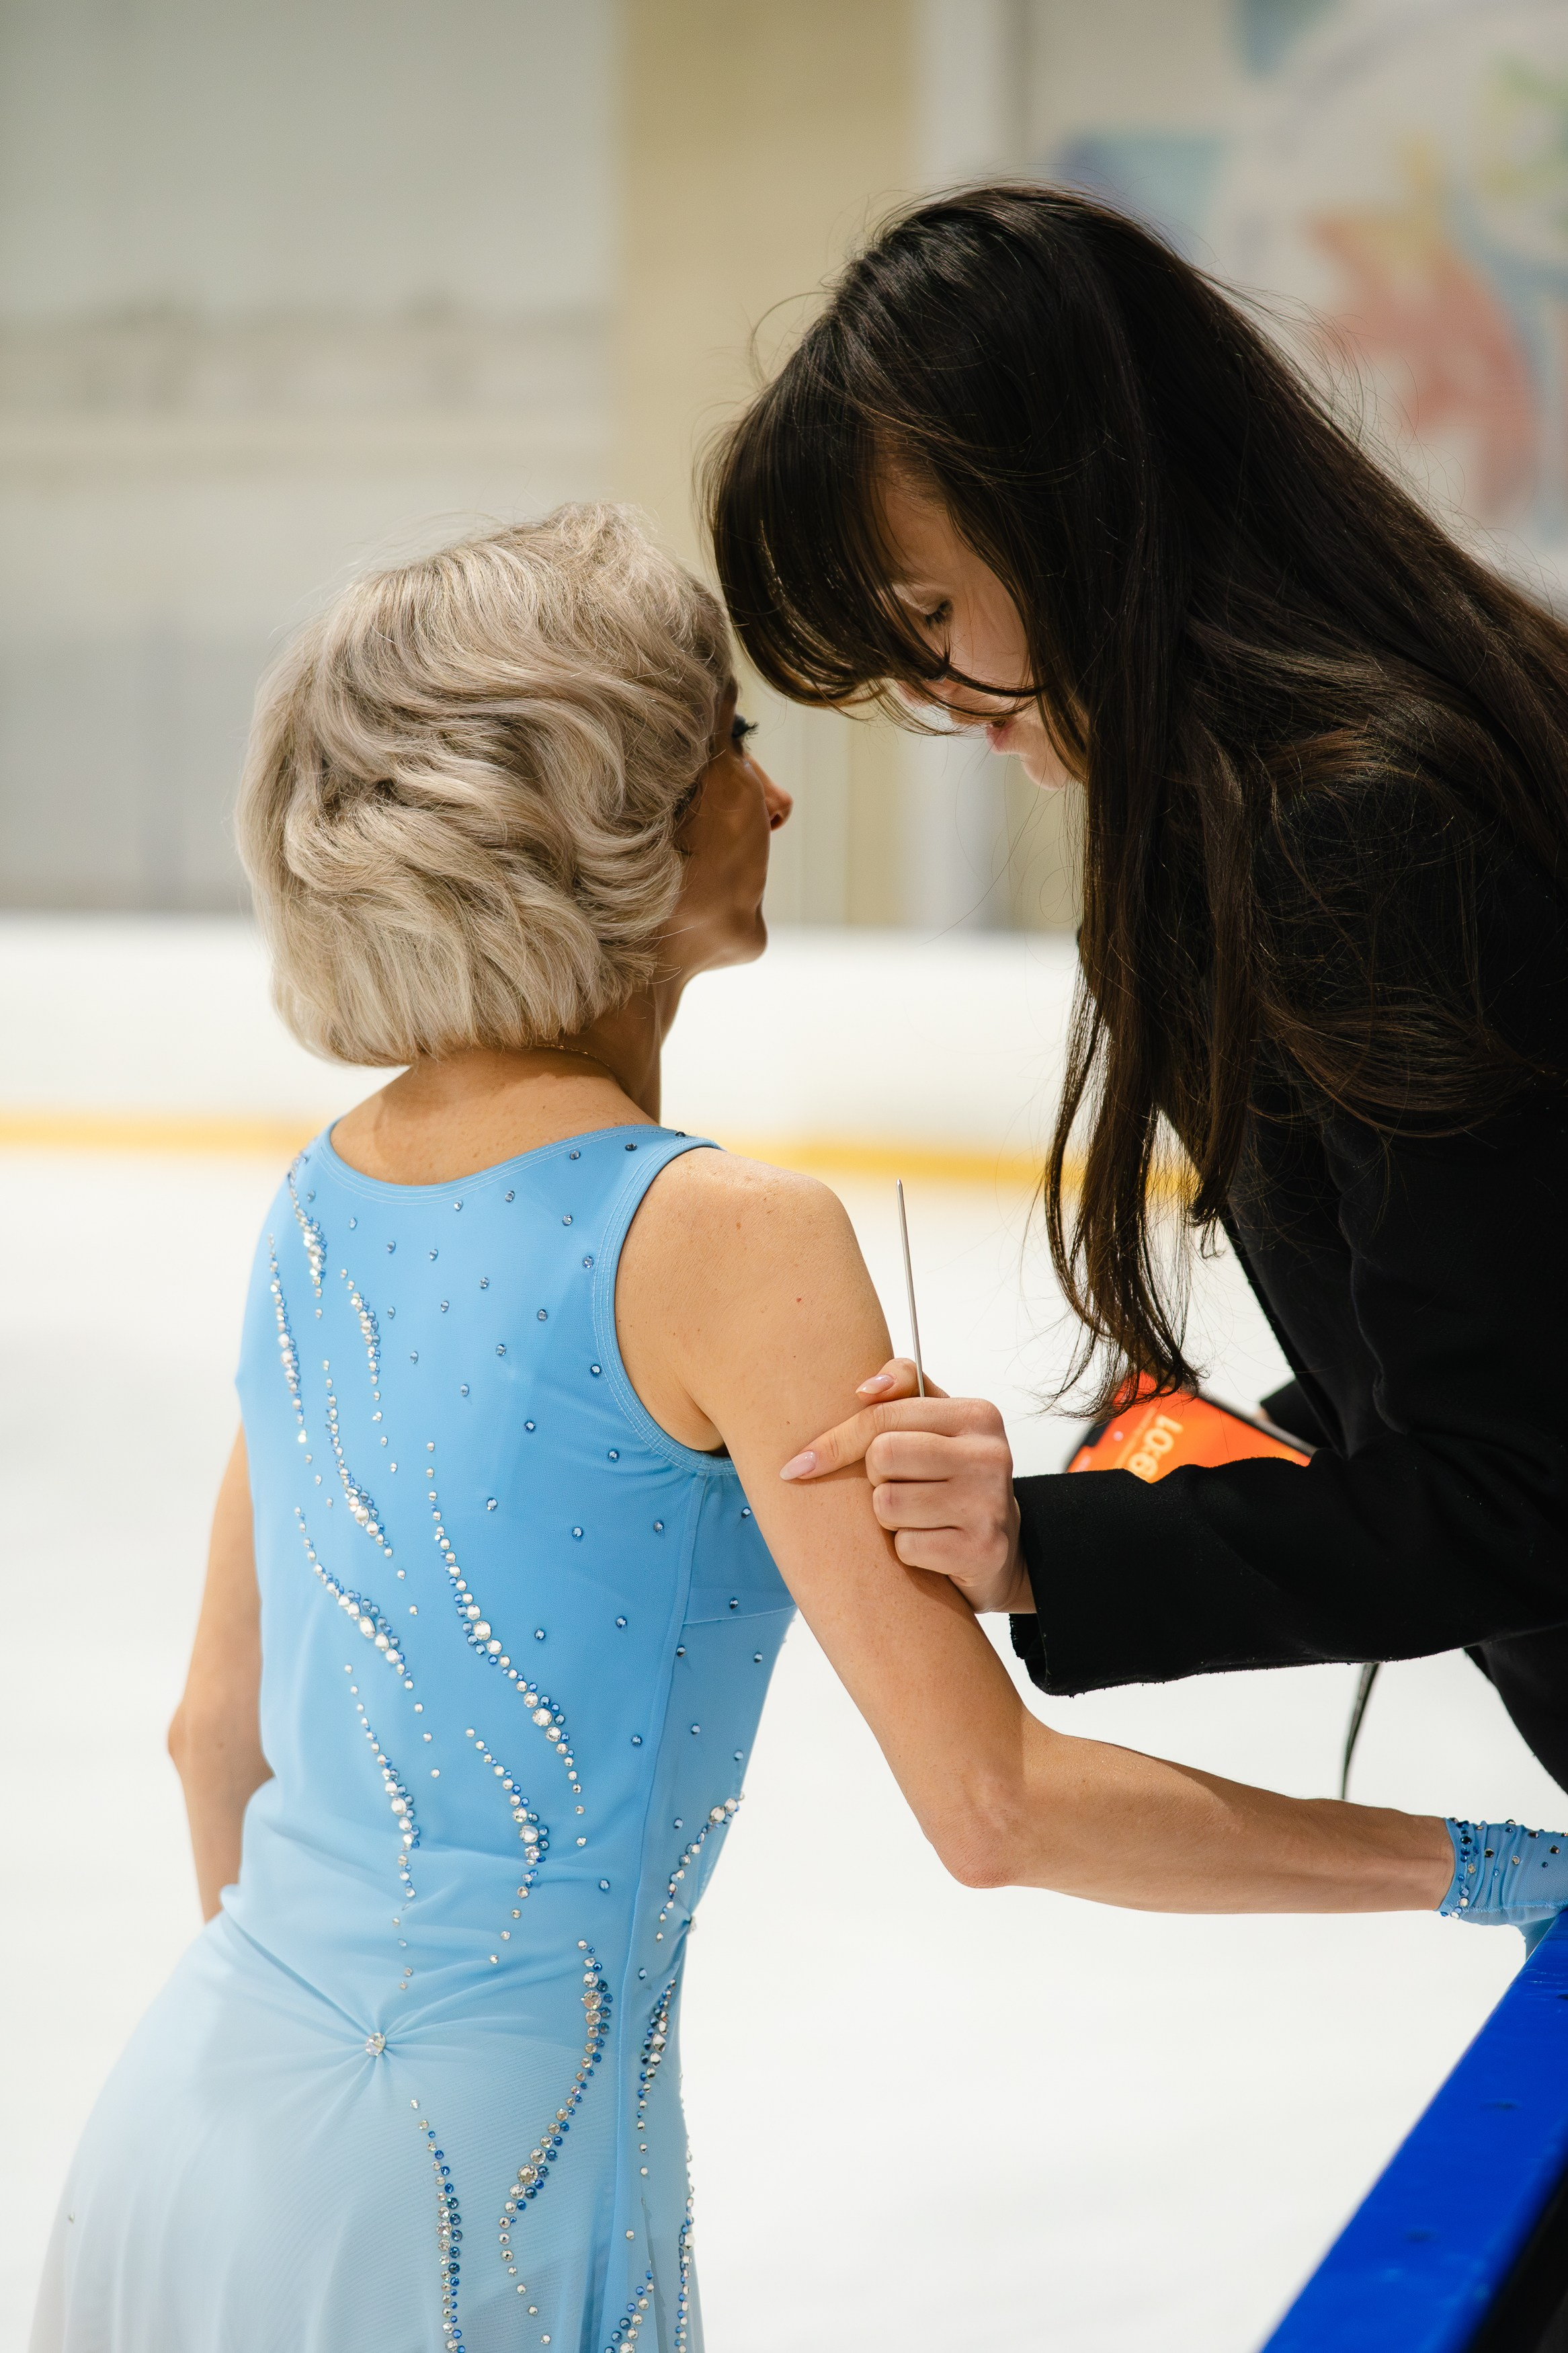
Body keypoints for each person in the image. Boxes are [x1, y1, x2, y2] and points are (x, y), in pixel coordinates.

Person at [30, 506, 1567, 2353]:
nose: (770, 798)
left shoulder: (321, 1191)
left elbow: (216, 1738)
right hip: (471, 2208)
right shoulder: (725, 1238)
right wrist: (1499, 1865)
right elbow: (996, 1810)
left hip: (198, 2132)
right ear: (594, 818)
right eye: (723, 750)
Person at [706, 183, 1568, 1800]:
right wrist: (1196, 1456)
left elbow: (1521, 1485)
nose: (931, 700)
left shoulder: (1365, 832)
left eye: (930, 621)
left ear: (1088, 505)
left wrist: (1049, 1541)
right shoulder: (1358, 757)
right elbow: (1497, 1313)